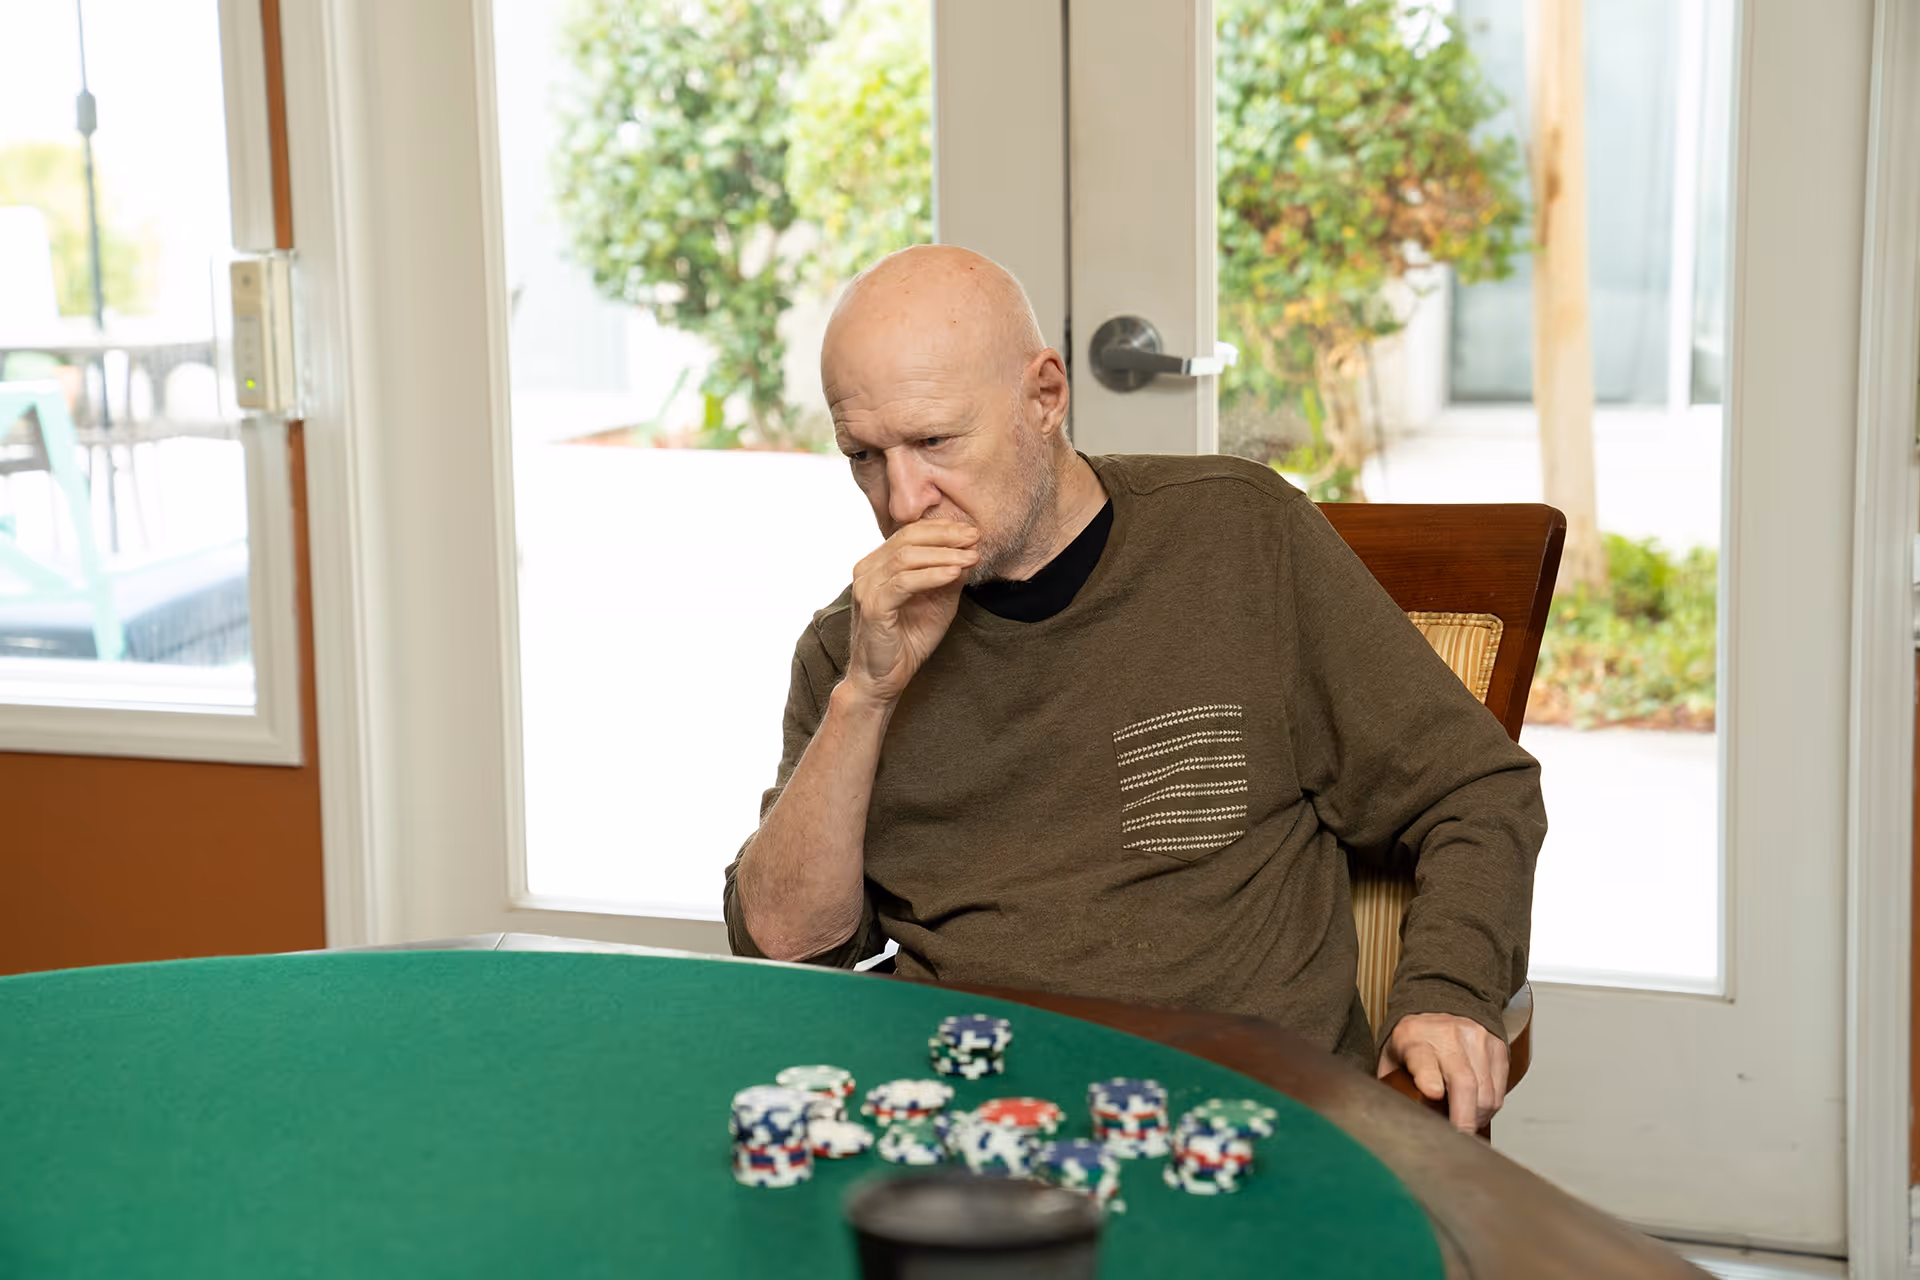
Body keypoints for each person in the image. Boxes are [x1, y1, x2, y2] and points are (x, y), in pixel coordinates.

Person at [723, 245, 1546, 1133]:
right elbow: (784, 945)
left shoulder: (1238, 537)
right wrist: (867, 699)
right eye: (864, 456)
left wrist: (1448, 994)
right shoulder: (850, 648)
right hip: (971, 1130)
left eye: (934, 441)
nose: (903, 498)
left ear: (1045, 396)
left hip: (1240, 1125)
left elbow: (1475, 790)